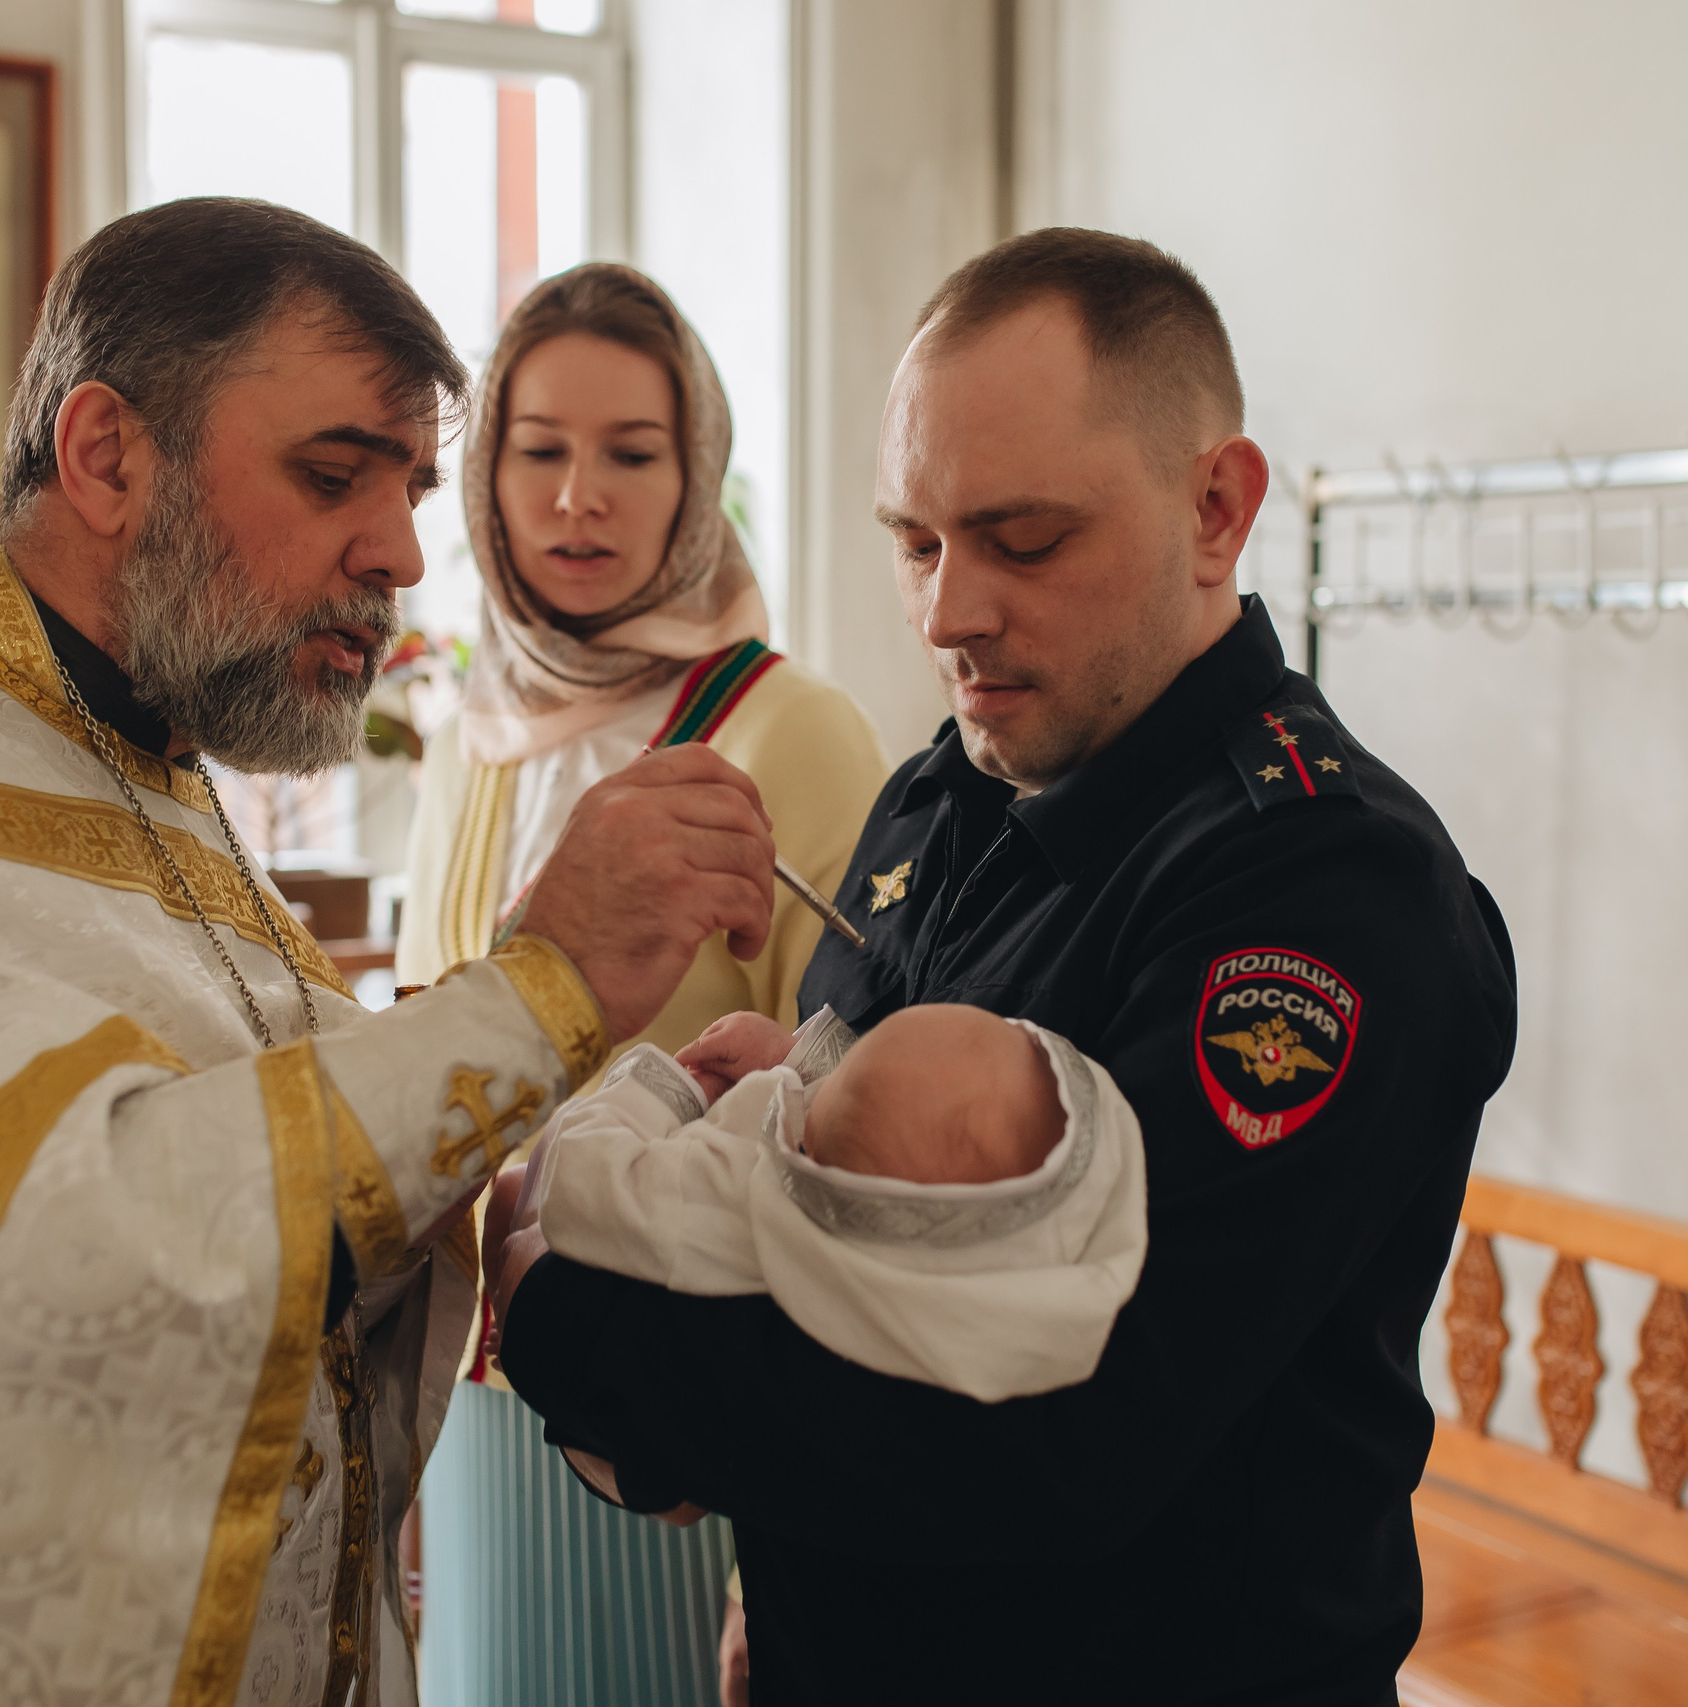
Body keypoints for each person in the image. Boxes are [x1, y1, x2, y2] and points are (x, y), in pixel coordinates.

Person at [0, 197, 781, 1707]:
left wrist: (602, 1106)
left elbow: (251, 1106)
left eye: (414, 488)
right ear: (107, 455)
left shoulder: (115, 743)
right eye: (333, 476)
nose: (399, 554)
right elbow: (64, 1270)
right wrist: (538, 989)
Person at [491, 228, 1521, 1703]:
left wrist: (558, 1313)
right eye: (916, 542)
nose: (946, 613)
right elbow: (840, 1243)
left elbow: (1052, 1434)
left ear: (1216, 509)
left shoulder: (1323, 893)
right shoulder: (941, 795)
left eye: (1023, 541)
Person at [396, 262, 888, 1707]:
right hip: (473, 1389)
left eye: (631, 454)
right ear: (485, 477)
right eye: (538, 450)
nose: (577, 499)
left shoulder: (790, 731)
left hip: (687, 1403)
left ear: (697, 477)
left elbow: (850, 1110)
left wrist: (776, 1554)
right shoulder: (471, 733)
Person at [508, 1002, 1148, 1403]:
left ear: (811, 1165)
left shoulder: (741, 1203)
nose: (795, 1085)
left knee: (512, 1190)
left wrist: (667, 1090)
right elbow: (900, 1120)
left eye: (812, 1098)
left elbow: (583, 1178)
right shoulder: (1026, 1244)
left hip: (632, 1377)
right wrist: (805, 1061)